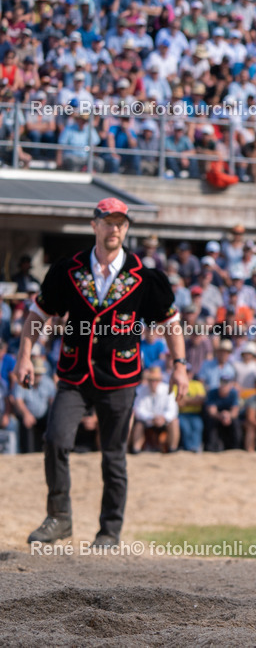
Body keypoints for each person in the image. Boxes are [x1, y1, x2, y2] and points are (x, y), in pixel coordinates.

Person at [15, 197, 186, 548]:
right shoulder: (68, 270)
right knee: (56, 439)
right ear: (94, 224)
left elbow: (172, 322)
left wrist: (180, 366)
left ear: (127, 228)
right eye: (108, 221)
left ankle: (109, 530)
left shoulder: (144, 277)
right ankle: (59, 518)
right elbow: (37, 314)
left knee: (113, 457)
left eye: (121, 222)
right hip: (74, 374)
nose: (115, 228)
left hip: (120, 378)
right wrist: (24, 356)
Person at [131, 366, 180, 453]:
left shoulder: (168, 389)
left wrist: (163, 418)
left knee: (174, 422)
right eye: (151, 380)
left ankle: (173, 448)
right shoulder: (140, 390)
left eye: (156, 380)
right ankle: (136, 449)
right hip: (147, 421)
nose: (153, 383)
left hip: (164, 421)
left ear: (160, 381)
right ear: (147, 380)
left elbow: (173, 410)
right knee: (139, 425)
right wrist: (152, 417)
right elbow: (138, 410)